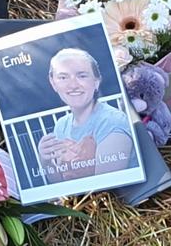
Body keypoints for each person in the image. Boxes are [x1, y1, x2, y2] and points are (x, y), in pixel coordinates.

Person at [37, 48, 135, 183]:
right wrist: (46, 161)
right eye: (63, 77)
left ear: (96, 82)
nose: (73, 85)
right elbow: (61, 183)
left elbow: (107, 187)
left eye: (82, 76)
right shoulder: (61, 125)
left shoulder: (113, 121)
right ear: (53, 83)